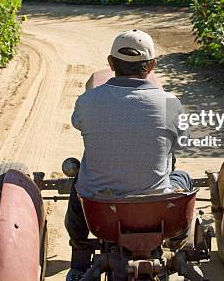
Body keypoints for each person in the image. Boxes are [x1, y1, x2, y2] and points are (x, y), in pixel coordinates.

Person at [65, 29, 191, 281]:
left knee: (77, 182)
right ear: (152, 66)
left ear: (111, 64)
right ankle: (177, 240)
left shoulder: (88, 101)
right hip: (157, 210)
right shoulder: (170, 102)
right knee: (181, 175)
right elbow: (181, 141)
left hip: (100, 212)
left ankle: (79, 251)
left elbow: (78, 123)